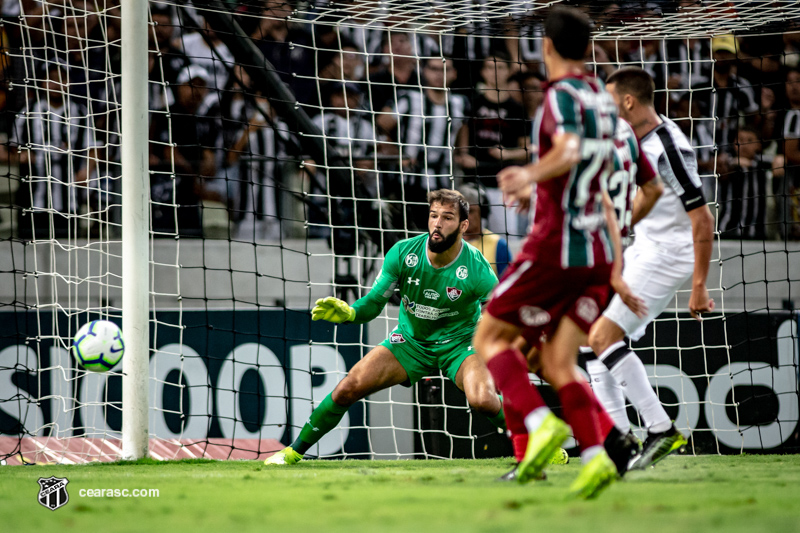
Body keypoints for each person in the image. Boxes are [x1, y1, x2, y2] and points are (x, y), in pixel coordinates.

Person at [473, 6, 643, 499]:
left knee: (489, 339)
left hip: (555, 246)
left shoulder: (558, 98)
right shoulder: (604, 99)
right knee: (559, 361)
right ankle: (596, 459)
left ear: (545, 46)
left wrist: (529, 174)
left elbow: (566, 152)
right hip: (597, 251)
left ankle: (541, 423)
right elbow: (601, 188)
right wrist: (615, 266)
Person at [265, 189, 504, 465]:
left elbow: (498, 312)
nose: (437, 224)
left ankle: (537, 441)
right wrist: (351, 313)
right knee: (347, 388)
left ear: (464, 225)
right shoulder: (403, 253)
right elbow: (373, 304)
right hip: (411, 344)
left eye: (447, 218)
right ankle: (293, 452)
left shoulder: (477, 268)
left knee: (484, 400)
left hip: (459, 346)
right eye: (433, 215)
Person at [586, 67, 715, 471]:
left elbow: (703, 219)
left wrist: (699, 285)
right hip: (645, 248)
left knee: (602, 336)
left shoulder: (668, 146)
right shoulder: (631, 139)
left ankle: (661, 429)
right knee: (593, 344)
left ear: (628, 101)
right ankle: (619, 446)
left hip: (670, 253)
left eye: (610, 100)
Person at [459, 183, 511, 277]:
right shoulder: (448, 243)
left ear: (483, 213)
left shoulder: (498, 245)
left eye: (471, 211)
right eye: (462, 211)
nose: (466, 217)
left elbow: (507, 282)